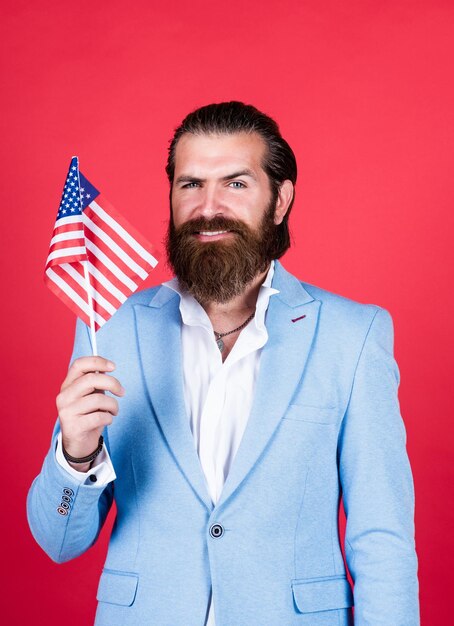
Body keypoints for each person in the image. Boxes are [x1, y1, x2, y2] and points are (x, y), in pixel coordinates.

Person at [27, 101, 419, 625]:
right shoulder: (111, 326)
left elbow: (382, 537)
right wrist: (75, 454)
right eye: (190, 184)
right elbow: (59, 543)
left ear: (280, 200)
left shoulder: (353, 335)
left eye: (236, 184)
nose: (209, 207)